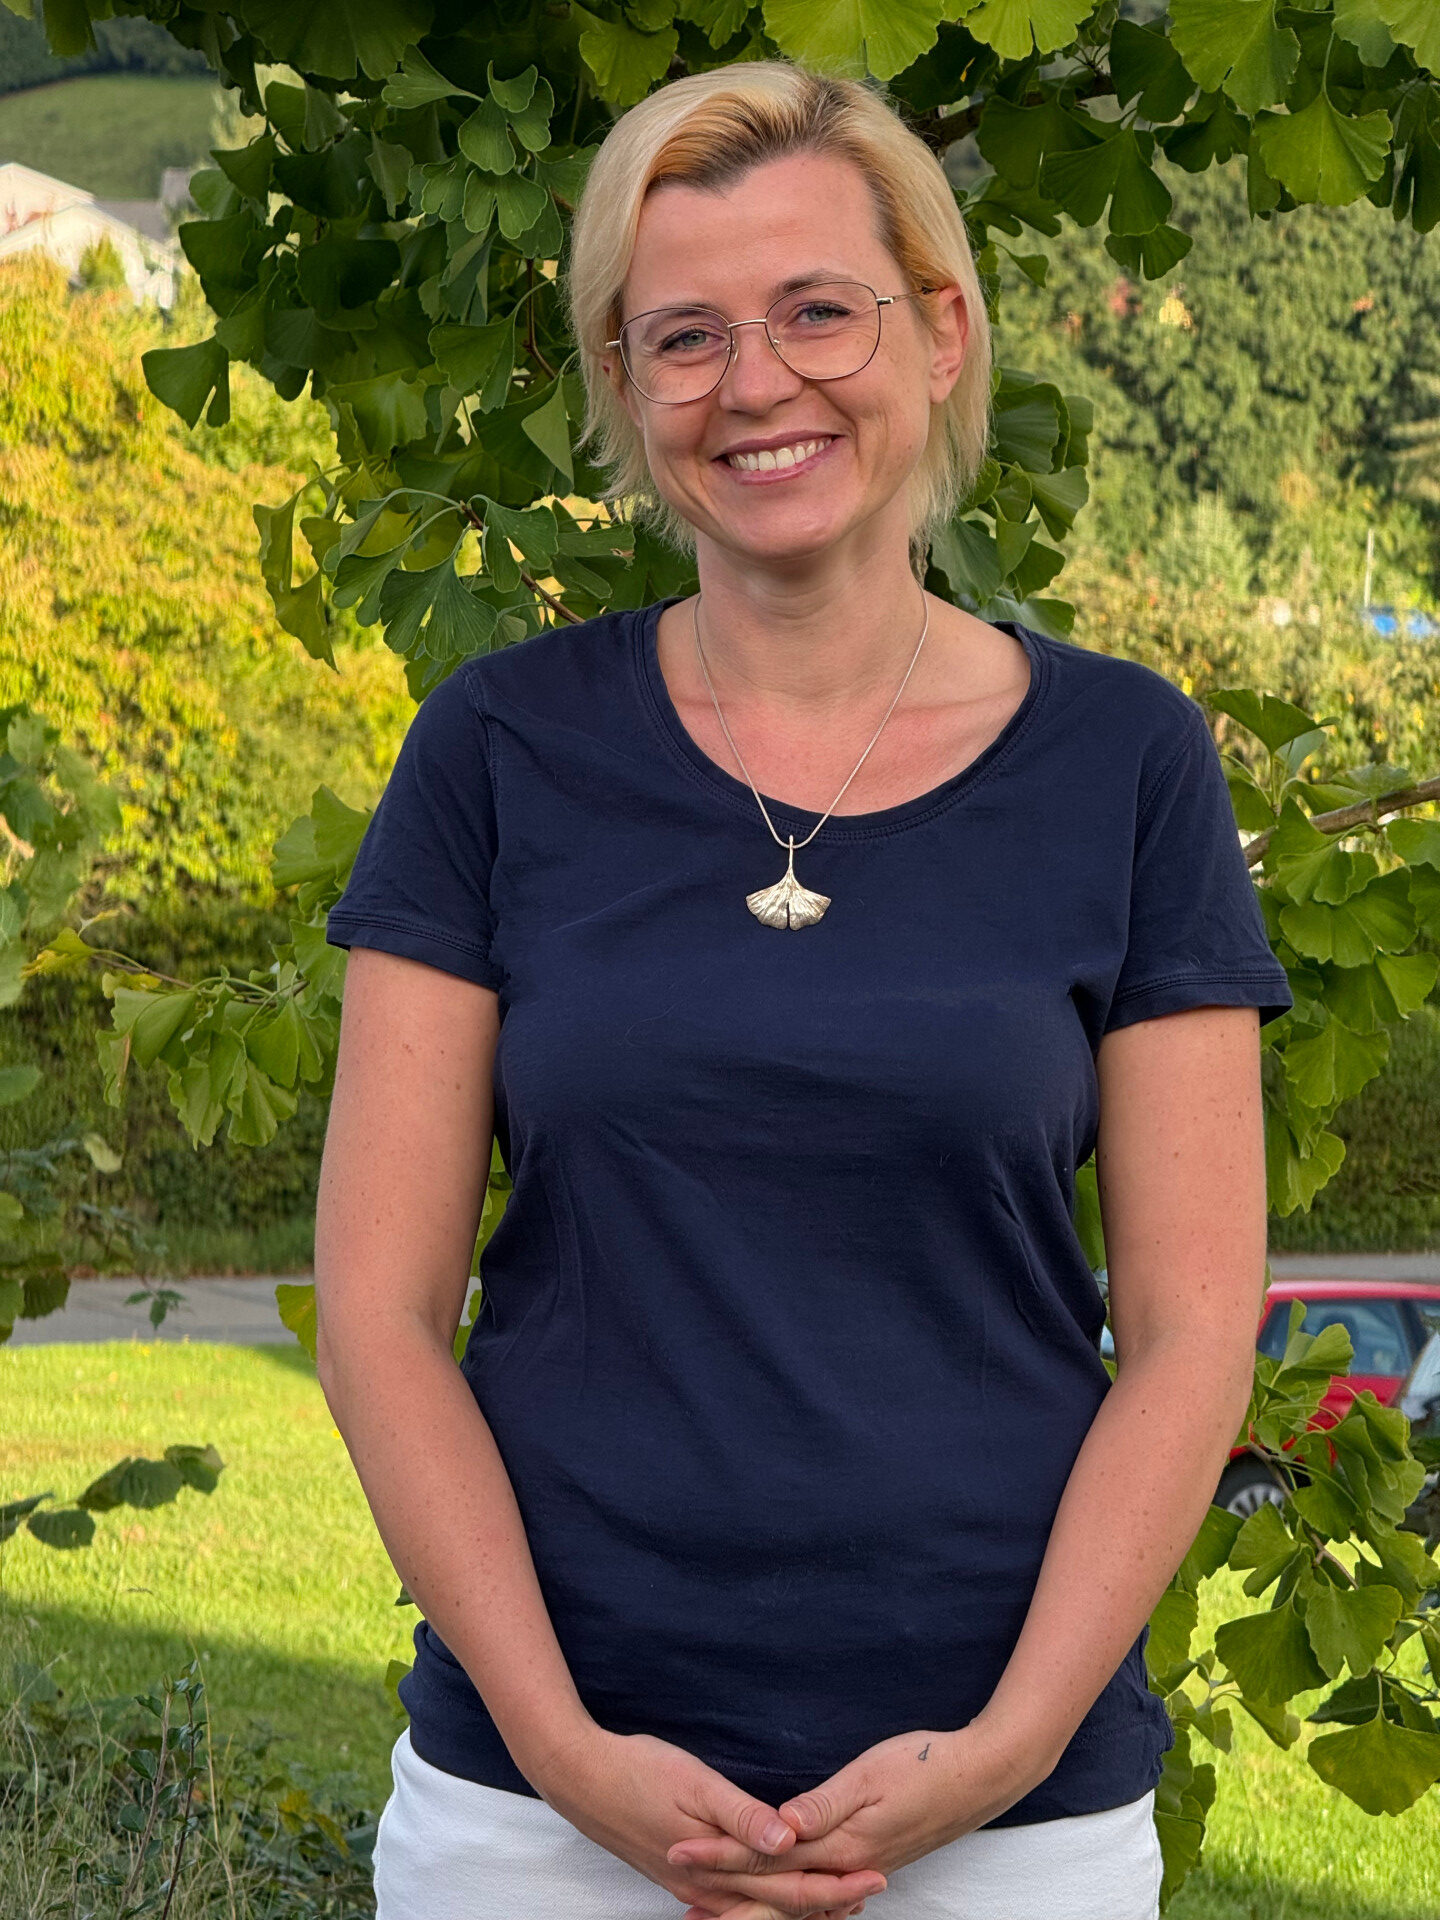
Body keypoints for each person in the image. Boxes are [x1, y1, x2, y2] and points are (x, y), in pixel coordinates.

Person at [315, 58, 1294, 1920]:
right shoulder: (497, 749)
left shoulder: (1128, 763)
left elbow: (1188, 1336)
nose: (754, 382)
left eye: (818, 311)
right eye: (683, 337)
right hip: (543, 1825)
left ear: (940, 331)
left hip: (1006, 1826)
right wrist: (565, 1753)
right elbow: (378, 1315)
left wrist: (1004, 1750)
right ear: (624, 387)